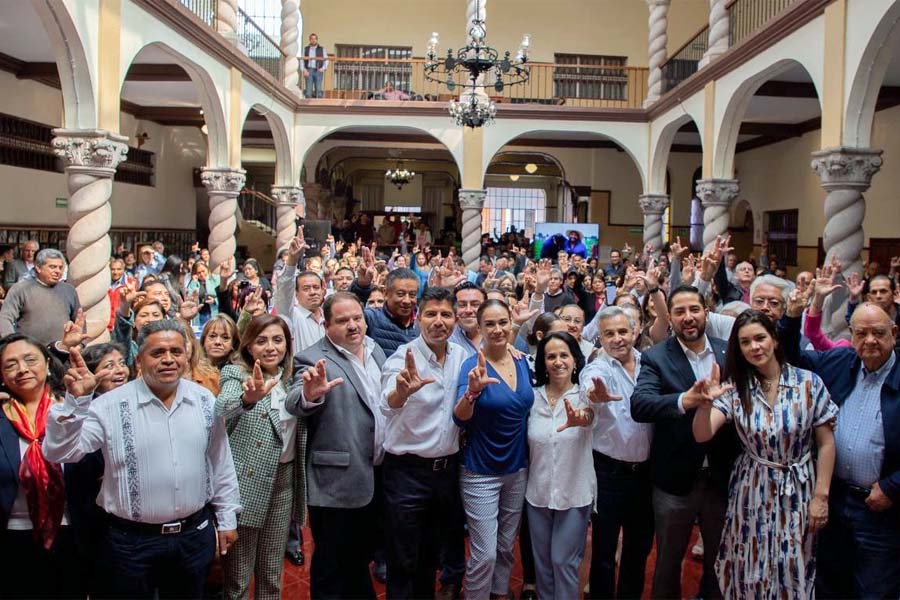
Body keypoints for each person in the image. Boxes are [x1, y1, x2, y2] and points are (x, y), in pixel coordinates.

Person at [43, 319, 241, 599]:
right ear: (139, 360)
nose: (169, 359)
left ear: (187, 356)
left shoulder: (204, 400)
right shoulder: (108, 406)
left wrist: (227, 517)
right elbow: (59, 452)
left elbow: (220, 460)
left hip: (193, 536)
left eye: (176, 351)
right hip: (130, 544)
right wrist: (76, 403)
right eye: (158, 353)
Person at [692, 310, 837, 598]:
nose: (754, 347)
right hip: (752, 487)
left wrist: (821, 496)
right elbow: (702, 434)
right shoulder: (737, 389)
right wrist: (705, 404)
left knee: (793, 564)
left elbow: (826, 443)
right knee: (749, 562)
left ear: (774, 340)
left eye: (760, 338)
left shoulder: (808, 383)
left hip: (798, 488)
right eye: (745, 342)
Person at [782, 302, 900, 598]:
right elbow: (789, 358)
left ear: (894, 333)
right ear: (851, 334)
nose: (869, 340)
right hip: (833, 501)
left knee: (874, 590)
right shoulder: (840, 361)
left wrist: (892, 486)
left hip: (880, 508)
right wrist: (792, 317)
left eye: (878, 333)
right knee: (829, 583)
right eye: (861, 333)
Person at [631, 285, 739, 600]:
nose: (688, 317)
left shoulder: (728, 350)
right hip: (674, 480)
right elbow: (641, 405)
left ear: (706, 311)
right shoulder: (656, 356)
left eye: (694, 309)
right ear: (671, 318)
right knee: (667, 562)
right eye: (679, 311)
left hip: (722, 478)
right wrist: (684, 400)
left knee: (720, 561)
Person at [286, 292, 387, 599]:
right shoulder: (312, 358)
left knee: (359, 556)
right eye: (343, 320)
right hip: (335, 481)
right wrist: (311, 394)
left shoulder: (376, 350)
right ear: (326, 325)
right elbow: (295, 401)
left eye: (357, 318)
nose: (353, 326)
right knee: (331, 563)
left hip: (376, 473)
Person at [380, 287, 466, 599]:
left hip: (445, 473)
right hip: (407, 473)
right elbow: (387, 402)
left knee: (432, 555)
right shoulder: (404, 358)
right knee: (403, 559)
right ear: (418, 318)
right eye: (431, 313)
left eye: (446, 314)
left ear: (455, 320)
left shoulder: (462, 357)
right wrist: (402, 391)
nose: (438, 321)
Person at [216, 315, 306, 600]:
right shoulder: (235, 374)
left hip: (283, 483)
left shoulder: (293, 378)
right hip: (246, 485)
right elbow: (221, 409)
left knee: (271, 574)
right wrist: (247, 400)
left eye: (277, 340)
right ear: (249, 347)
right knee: (239, 580)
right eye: (261, 341)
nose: (271, 348)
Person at [454, 300, 534, 600]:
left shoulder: (524, 361)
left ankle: (500, 593)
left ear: (511, 321)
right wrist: (472, 393)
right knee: (484, 551)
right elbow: (458, 417)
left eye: (503, 322)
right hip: (480, 471)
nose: (498, 329)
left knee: (505, 545)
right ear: (480, 327)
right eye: (490, 324)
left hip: (517, 468)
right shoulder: (472, 365)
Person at [0, 335, 87, 599]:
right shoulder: (1, 416)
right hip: (13, 537)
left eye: (30, 360)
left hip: (71, 534)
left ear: (48, 364)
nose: (22, 369)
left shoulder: (71, 410)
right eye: (11, 364)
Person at [580, 306, 655, 599]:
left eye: (623, 331)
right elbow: (589, 385)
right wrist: (592, 394)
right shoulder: (599, 366)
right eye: (609, 334)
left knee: (638, 548)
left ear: (635, 332)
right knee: (603, 548)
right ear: (600, 338)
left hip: (645, 475)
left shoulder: (649, 363)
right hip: (608, 472)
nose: (617, 339)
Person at [527, 331, 594, 600]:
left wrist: (583, 418)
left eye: (564, 355)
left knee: (563, 561)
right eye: (551, 356)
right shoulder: (531, 398)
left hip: (574, 495)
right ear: (543, 363)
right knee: (542, 564)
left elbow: (590, 417)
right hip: (538, 495)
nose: (558, 362)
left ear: (575, 360)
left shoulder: (587, 396)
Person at [0, 248, 80, 348]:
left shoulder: (69, 290)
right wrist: (13, 344)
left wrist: (80, 344)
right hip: (29, 350)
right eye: (52, 267)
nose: (57, 271)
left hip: (62, 351)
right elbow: (5, 318)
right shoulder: (21, 289)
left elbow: (79, 319)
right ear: (38, 268)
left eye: (60, 267)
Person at [275, 237, 326, 356]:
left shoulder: (330, 317)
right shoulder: (292, 315)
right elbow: (284, 289)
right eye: (306, 288)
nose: (313, 292)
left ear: (323, 290)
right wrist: (292, 260)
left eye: (316, 287)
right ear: (296, 293)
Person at [302, 33, 328, 99]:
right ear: (310, 40)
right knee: (308, 90)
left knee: (318, 90)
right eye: (312, 39)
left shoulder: (322, 49)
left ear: (317, 40)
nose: (313, 40)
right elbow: (301, 60)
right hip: (309, 70)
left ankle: (318, 105)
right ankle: (307, 106)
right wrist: (304, 70)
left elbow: (326, 59)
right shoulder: (306, 49)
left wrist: (323, 68)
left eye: (315, 39)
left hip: (318, 70)